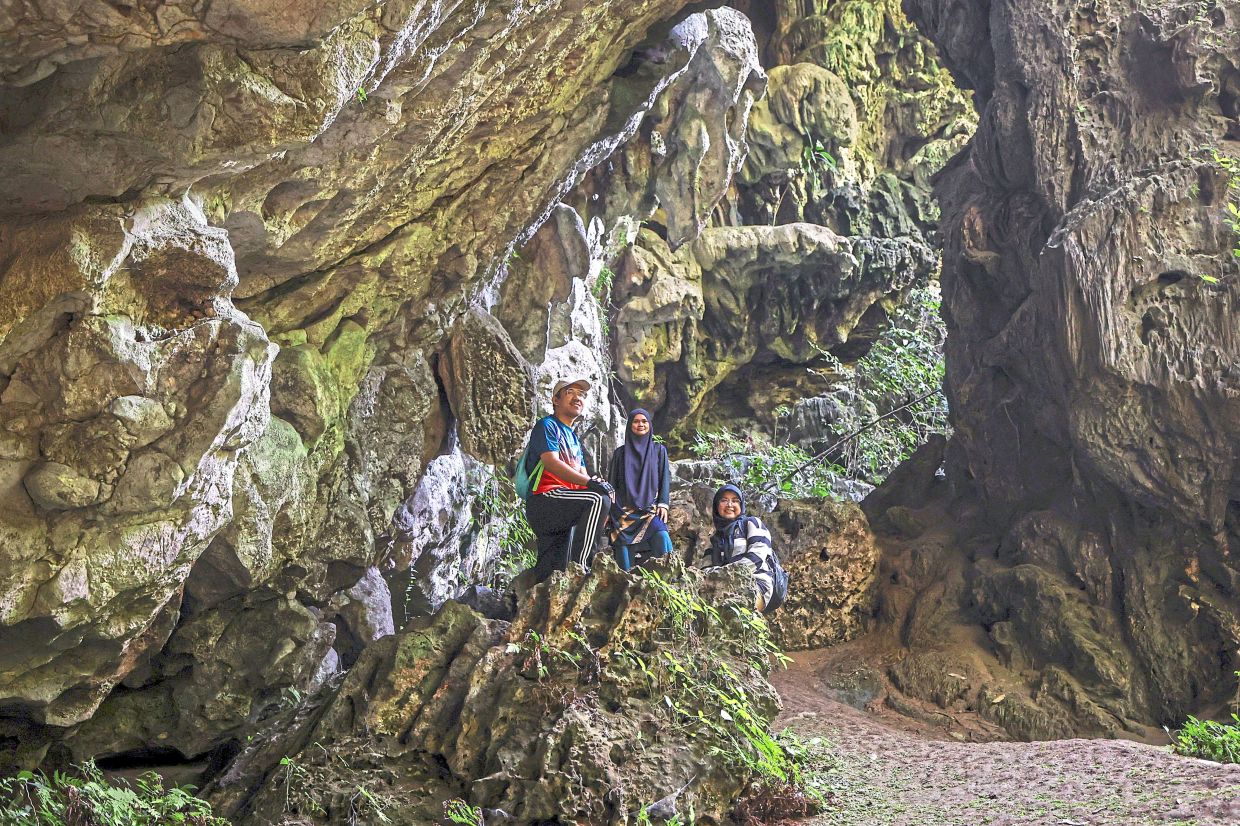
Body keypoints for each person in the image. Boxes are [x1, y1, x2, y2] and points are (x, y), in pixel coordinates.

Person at [523, 377, 614, 583]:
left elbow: (583, 477)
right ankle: (580, 569)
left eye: (581, 395)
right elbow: (551, 462)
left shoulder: (573, 439)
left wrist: (597, 484)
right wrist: (592, 486)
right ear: (556, 400)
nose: (577, 397)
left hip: (563, 505)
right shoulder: (547, 425)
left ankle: (537, 603)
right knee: (597, 500)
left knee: (552, 570)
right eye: (570, 392)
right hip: (545, 498)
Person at [606, 408, 672, 570]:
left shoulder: (658, 451)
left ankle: (671, 579)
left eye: (644, 421)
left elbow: (664, 478)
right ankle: (624, 585)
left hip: (649, 510)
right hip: (623, 511)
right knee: (621, 545)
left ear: (649, 425)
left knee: (661, 535)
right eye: (636, 421)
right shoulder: (620, 453)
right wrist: (608, 510)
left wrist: (663, 503)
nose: (640, 424)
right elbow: (612, 484)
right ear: (629, 426)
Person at [709, 484, 777, 612]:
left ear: (741, 505)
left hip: (755, 584)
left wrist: (724, 573)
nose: (729, 505)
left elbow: (757, 557)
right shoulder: (715, 539)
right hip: (722, 586)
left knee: (731, 610)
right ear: (716, 506)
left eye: (735, 501)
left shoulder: (752, 523)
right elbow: (705, 569)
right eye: (724, 500)